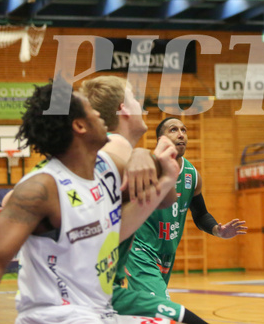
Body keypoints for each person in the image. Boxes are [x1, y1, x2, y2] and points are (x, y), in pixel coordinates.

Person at [0, 80, 180, 323]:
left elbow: (124, 224)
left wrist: (164, 175)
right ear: (79, 126)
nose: (100, 115)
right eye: (91, 110)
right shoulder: (42, 188)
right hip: (56, 316)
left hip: (98, 311)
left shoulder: (107, 168)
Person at [80, 77, 210, 324]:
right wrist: (143, 157)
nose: (141, 104)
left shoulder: (121, 153)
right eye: (134, 98)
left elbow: (164, 200)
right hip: (82, 296)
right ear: (123, 109)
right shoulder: (109, 154)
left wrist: (157, 166)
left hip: (108, 290)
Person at [123, 117, 247, 305]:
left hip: (166, 254)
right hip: (140, 251)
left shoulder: (192, 174)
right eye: (173, 130)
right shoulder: (147, 167)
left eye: (184, 130)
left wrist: (217, 230)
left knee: (142, 310)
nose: (181, 134)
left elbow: (201, 214)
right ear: (160, 139)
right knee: (162, 309)